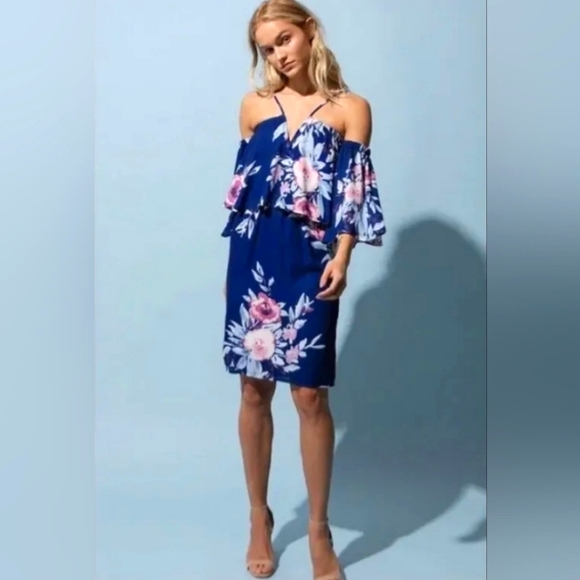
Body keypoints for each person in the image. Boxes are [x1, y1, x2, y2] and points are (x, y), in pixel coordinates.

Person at [221, 1, 386, 578]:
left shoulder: (351, 109)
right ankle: (258, 517)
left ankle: (319, 528)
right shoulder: (254, 107)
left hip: (311, 262)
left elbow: (352, 195)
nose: (278, 55)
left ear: (310, 31)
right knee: (252, 391)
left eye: (285, 39)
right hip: (254, 259)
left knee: (310, 396)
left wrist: (343, 256)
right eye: (267, 48)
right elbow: (247, 195)